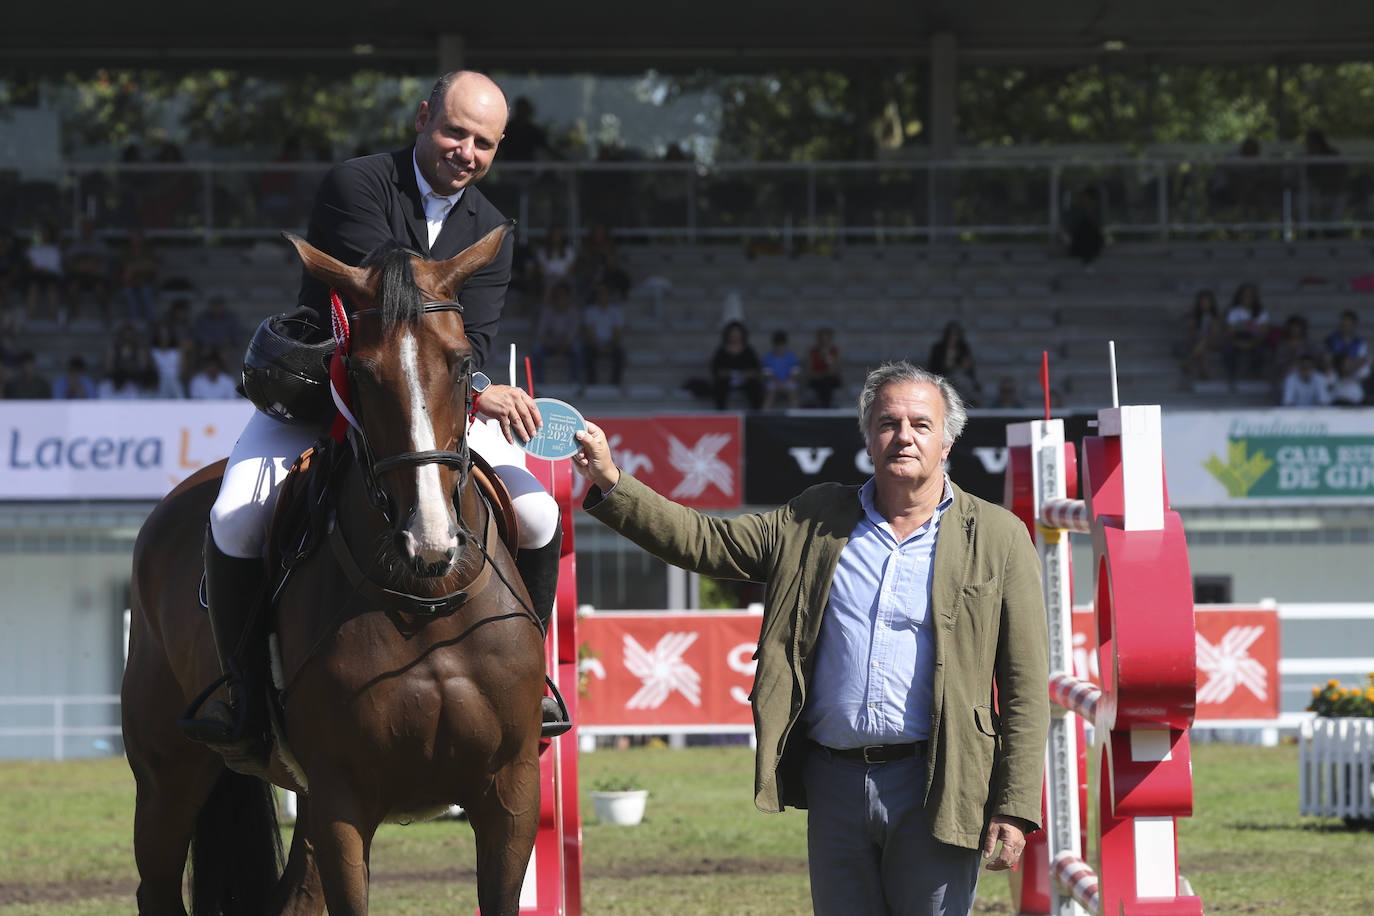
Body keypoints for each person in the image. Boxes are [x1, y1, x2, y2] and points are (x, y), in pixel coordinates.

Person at [180, 70, 569, 765]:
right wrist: (478, 384)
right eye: (454, 131)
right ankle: (240, 690)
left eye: (484, 143)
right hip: (331, 388)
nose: (466, 152)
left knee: (539, 516)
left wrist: (477, 384)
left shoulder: (492, 231)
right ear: (423, 118)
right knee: (237, 515)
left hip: (439, 403)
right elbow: (385, 317)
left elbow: (471, 341)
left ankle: (529, 682)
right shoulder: (355, 185)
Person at [571, 361, 1049, 916]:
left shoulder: (998, 535)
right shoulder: (815, 517)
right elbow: (705, 540)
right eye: (888, 422)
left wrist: (1013, 806)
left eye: (921, 424)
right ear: (868, 436)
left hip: (938, 785)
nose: (905, 436)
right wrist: (611, 480)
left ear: (948, 441)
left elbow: (1024, 684)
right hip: (834, 782)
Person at [531, 280, 582, 387]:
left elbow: (573, 334)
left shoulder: (574, 311)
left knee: (578, 348)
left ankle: (575, 382)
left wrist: (563, 347)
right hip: (551, 344)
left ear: (569, 297)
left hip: (568, 345)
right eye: (559, 296)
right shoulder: (547, 311)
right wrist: (554, 345)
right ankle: (540, 383)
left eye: (564, 296)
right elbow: (540, 333)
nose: (561, 299)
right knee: (537, 348)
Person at [581, 278, 626, 387]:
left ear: (609, 295)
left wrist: (610, 346)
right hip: (594, 344)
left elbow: (618, 333)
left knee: (620, 354)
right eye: (600, 292)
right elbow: (589, 333)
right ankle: (592, 384)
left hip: (611, 343)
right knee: (586, 353)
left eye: (605, 292)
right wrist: (597, 346)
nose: (603, 295)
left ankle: (616, 384)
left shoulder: (616, 311)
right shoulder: (590, 311)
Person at [1222, 281, 1269, 383]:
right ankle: (1232, 374)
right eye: (1245, 295)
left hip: (1254, 339)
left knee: (1259, 350)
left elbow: (1263, 333)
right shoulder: (1233, 311)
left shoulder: (1261, 312)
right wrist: (1238, 343)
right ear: (1240, 296)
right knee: (1227, 349)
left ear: (1254, 297)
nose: (1247, 297)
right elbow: (1230, 332)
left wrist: (1251, 343)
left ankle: (1254, 374)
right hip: (1237, 338)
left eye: (1250, 295)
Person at [710, 320, 763, 410]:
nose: (735, 335)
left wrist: (747, 374)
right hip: (727, 380)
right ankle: (721, 413)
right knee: (719, 385)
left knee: (755, 386)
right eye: (733, 333)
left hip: (745, 379)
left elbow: (756, 368)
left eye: (737, 333)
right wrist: (727, 373)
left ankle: (756, 413)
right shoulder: (721, 351)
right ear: (728, 335)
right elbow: (715, 368)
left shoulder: (748, 351)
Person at [927, 321, 980, 407]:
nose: (954, 337)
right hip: (942, 377)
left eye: (956, 335)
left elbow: (967, 367)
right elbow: (944, 366)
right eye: (951, 335)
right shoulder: (938, 348)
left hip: (961, 379)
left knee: (961, 380)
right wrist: (950, 351)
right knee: (958, 380)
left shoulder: (963, 348)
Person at [1324, 310, 1370, 402]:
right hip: (1336, 375)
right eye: (1344, 324)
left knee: (1366, 369)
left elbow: (1362, 360)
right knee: (1328, 375)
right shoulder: (1331, 340)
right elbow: (1327, 358)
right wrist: (1340, 367)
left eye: (1349, 325)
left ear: (1354, 326)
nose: (1346, 327)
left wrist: (1348, 366)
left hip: (1353, 375)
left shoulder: (1360, 343)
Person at [1181, 289, 1223, 381]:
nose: (1205, 304)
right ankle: (1204, 372)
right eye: (1203, 301)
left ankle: (1189, 361)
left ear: (1211, 303)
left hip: (1212, 341)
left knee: (1204, 341)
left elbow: (1215, 333)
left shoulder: (1215, 316)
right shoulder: (1194, 315)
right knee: (1204, 350)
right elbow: (1191, 332)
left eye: (1207, 301)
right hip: (1199, 342)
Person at [760, 329, 801, 410]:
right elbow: (767, 375)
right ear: (773, 345)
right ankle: (765, 416)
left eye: (781, 345)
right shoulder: (768, 358)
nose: (779, 348)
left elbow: (795, 375)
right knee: (770, 394)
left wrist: (784, 383)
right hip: (773, 383)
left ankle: (796, 416)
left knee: (793, 393)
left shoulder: (791, 357)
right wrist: (777, 383)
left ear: (785, 345)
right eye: (777, 345)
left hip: (788, 382)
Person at [805, 326, 843, 408]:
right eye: (822, 339)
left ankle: (825, 407)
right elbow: (809, 372)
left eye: (826, 339)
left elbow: (834, 372)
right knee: (822, 382)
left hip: (830, 380)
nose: (824, 342)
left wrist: (828, 359)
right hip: (816, 379)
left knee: (827, 382)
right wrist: (820, 375)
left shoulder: (834, 352)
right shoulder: (812, 352)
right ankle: (824, 407)